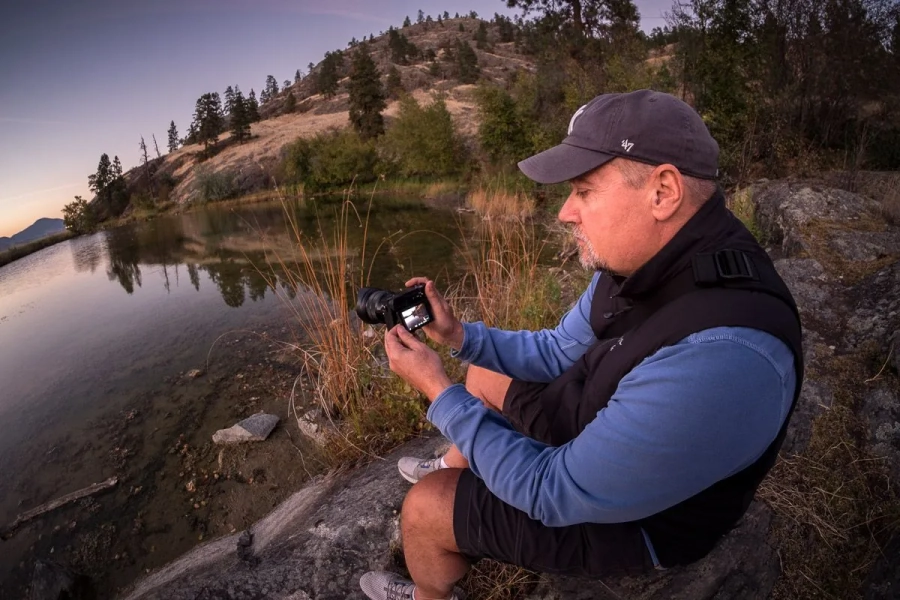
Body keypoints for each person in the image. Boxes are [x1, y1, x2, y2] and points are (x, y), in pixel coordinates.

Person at [359, 90, 804, 600]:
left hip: (647, 522)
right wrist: (458, 336)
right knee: (482, 371)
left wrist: (440, 393)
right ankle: (462, 461)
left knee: (424, 506)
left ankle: (428, 594)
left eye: (585, 191)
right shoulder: (651, 253)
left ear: (663, 191)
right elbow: (554, 350)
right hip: (605, 421)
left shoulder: (723, 354)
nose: (566, 213)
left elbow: (554, 492)